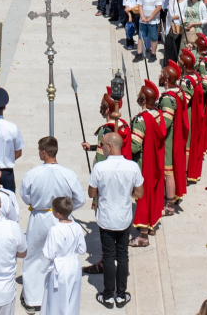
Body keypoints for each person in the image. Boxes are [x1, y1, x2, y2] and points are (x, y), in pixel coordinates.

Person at [17, 136, 86, 312]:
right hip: (60, 218)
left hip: (39, 217)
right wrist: (67, 209)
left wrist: (36, 203)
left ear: (43, 152)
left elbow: (25, 196)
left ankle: (33, 300)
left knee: (33, 257)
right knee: (59, 257)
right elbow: (80, 198)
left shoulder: (32, 174)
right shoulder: (68, 174)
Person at [88, 131, 143, 308]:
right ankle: (120, 295)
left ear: (110, 147)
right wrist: (126, 193)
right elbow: (139, 193)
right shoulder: (132, 167)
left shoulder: (99, 167)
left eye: (103, 144)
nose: (101, 147)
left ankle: (107, 296)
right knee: (123, 255)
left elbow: (91, 193)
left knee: (109, 256)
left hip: (106, 218)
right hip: (123, 217)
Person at [129, 79, 168, 246]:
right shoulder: (158, 115)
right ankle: (152, 225)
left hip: (143, 163)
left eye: (140, 94)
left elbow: (135, 146)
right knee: (153, 193)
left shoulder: (141, 120)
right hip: (156, 162)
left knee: (142, 197)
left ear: (144, 98)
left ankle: (143, 235)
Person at [40, 196, 86, 315]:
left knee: (57, 300)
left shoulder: (54, 230)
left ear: (58, 214)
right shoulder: (77, 227)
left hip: (60, 267)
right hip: (74, 265)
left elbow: (49, 254)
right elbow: (82, 249)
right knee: (73, 298)